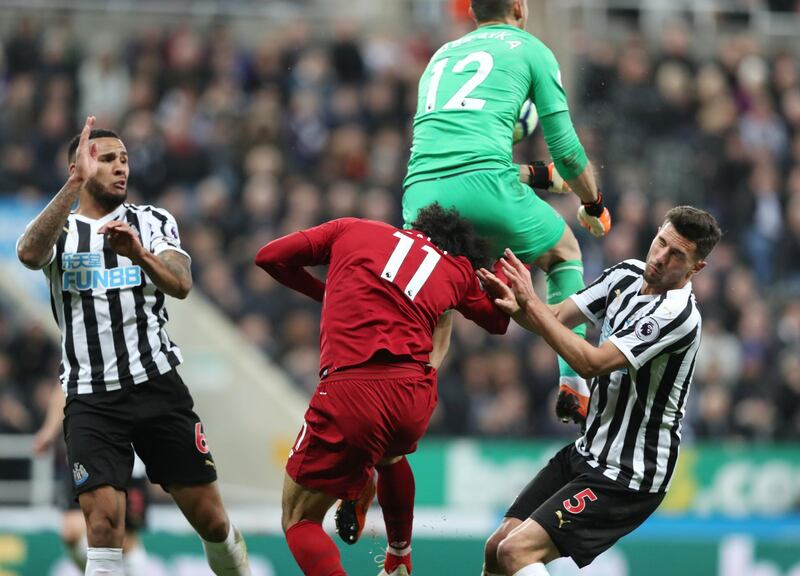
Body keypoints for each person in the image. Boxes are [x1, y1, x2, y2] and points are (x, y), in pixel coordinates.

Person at [16, 116, 251, 576]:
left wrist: (138, 254)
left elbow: (181, 283)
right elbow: (27, 254)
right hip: (90, 397)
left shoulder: (153, 220)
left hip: (157, 386)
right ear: (78, 168)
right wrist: (73, 188)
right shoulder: (59, 230)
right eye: (106, 160)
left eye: (124, 159)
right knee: (102, 526)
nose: (121, 168)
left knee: (212, 519)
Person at [255, 203, 510, 576]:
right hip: (413, 398)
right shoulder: (455, 269)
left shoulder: (352, 229)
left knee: (298, 519)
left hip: (352, 390)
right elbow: (498, 321)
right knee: (390, 454)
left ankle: (358, 481)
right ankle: (399, 558)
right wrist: (503, 257)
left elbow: (269, 257)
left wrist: (325, 293)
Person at [476, 206, 721, 575]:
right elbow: (555, 318)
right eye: (660, 243)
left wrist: (530, 303)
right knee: (497, 548)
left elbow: (592, 362)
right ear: (655, 233)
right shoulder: (625, 275)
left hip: (630, 474)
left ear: (695, 268)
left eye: (676, 256)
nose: (660, 258)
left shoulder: (678, 316)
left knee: (517, 552)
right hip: (589, 451)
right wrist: (514, 304)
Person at [402, 0, 612, 425]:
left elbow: (451, 152)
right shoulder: (531, 49)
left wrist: (530, 174)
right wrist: (592, 203)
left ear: (474, 13)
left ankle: (401, 406)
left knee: (434, 311)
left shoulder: (440, 57)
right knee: (564, 252)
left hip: (418, 196)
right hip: (487, 192)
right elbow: (569, 154)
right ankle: (574, 381)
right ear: (519, 6)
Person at [34, 381, 150, 575]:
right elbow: (63, 386)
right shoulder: (78, 357)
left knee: (123, 540)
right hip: (85, 452)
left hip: (126, 458)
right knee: (72, 531)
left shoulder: (132, 356)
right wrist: (49, 431)